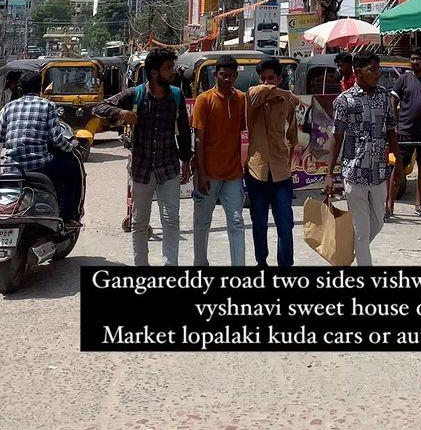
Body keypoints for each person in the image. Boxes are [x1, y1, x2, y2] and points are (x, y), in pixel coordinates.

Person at [95, 47, 192, 265]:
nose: (173, 71)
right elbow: (99, 107)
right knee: (139, 223)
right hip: (141, 170)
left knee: (171, 221)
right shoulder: (136, 94)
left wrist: (187, 161)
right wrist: (121, 113)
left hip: (168, 168)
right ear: (155, 73)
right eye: (168, 68)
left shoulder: (176, 95)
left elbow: (184, 131)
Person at [326, 49, 403, 265]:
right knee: (361, 230)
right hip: (354, 171)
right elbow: (337, 137)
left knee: (377, 223)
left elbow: (391, 132)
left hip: (378, 171)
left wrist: (399, 163)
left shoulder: (384, 97)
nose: (377, 73)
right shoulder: (344, 100)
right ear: (358, 71)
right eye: (372, 69)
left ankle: (347, 252)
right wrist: (330, 174)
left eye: (378, 69)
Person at [0, 71, 82, 226]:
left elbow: (2, 135)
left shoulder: (9, 107)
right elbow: (57, 139)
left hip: (11, 167)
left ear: (19, 88)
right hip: (40, 166)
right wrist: (71, 148)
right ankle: (69, 217)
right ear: (41, 87)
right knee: (72, 168)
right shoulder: (48, 105)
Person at [192, 56, 246, 267]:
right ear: (215, 75)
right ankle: (200, 263)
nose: (228, 79)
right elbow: (198, 139)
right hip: (209, 174)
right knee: (202, 223)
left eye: (232, 75)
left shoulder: (240, 98)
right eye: (224, 75)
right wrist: (202, 172)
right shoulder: (204, 100)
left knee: (236, 222)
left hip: (233, 174)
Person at [245, 57, 298, 268]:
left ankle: (285, 265)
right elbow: (256, 93)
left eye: (271, 78)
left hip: (281, 173)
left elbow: (294, 135)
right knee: (259, 224)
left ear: (279, 77)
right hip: (257, 171)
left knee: (285, 224)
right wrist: (280, 91)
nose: (266, 82)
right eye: (263, 78)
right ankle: (261, 263)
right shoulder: (253, 96)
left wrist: (290, 157)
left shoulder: (287, 103)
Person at [386, 46, 421, 217]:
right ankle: (389, 207)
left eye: (418, 59)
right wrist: (393, 123)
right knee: (398, 169)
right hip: (405, 132)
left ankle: (419, 205)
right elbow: (393, 100)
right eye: (412, 59)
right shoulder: (403, 79)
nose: (415, 62)